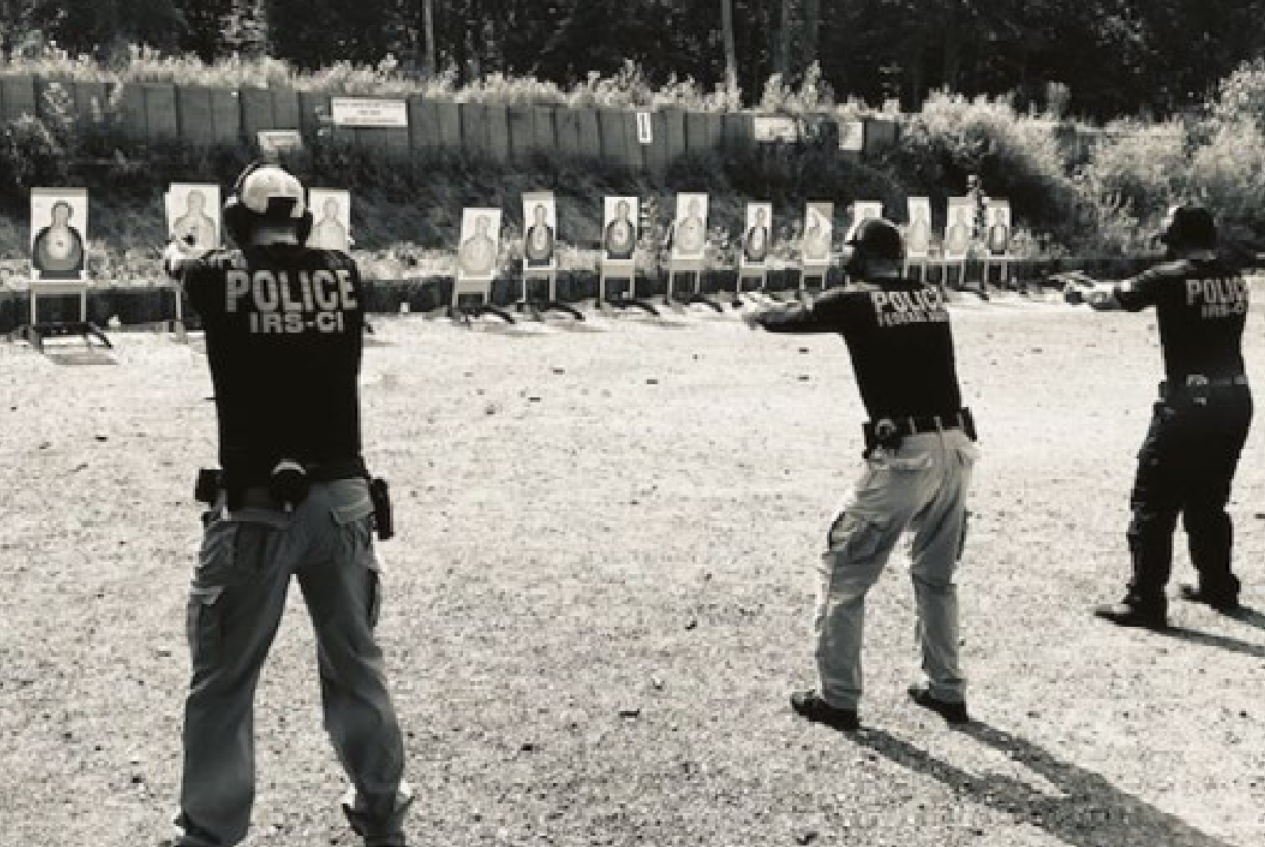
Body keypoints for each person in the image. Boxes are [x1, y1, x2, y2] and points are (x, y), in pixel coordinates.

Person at [162, 163, 412, 847]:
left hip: (254, 510)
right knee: (356, 665)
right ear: (301, 220)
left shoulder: (216, 274)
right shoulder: (344, 274)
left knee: (224, 681)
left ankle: (210, 832)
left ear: (238, 221)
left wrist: (183, 250)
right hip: (345, 505)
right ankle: (382, 810)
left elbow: (181, 263)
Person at [744, 218, 980, 731]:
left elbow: (797, 315)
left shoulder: (855, 300)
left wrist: (758, 314)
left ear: (859, 254)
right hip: (957, 450)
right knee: (936, 577)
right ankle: (946, 688)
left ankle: (838, 699)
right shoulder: (931, 296)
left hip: (905, 456)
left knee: (842, 573)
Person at [1063, 205, 1252, 629]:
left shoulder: (1168, 278)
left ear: (1177, 238)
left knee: (1154, 501)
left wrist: (1082, 294)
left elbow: (1115, 298)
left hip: (1189, 404)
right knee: (1209, 499)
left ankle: (1145, 599)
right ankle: (1218, 585)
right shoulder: (1233, 276)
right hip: (1235, 401)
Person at [32, 200, 86, 279]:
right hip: (48, 275)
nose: (61, 215)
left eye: (64, 212)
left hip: (71, 276)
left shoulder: (75, 233)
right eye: (58, 211)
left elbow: (80, 259)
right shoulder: (42, 233)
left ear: (69, 216)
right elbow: (36, 259)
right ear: (53, 213)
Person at [172, 189, 219, 254]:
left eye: (198, 202)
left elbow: (212, 245)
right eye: (192, 201)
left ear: (203, 204)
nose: (195, 205)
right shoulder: (179, 222)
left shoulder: (210, 222)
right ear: (188, 203)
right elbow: (177, 245)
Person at [524, 202, 555, 268]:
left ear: (545, 215)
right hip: (531, 265)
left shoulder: (551, 231)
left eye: (542, 214)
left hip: (546, 265)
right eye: (537, 214)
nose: (539, 217)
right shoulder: (529, 230)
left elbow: (552, 252)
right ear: (534, 215)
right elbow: (526, 251)